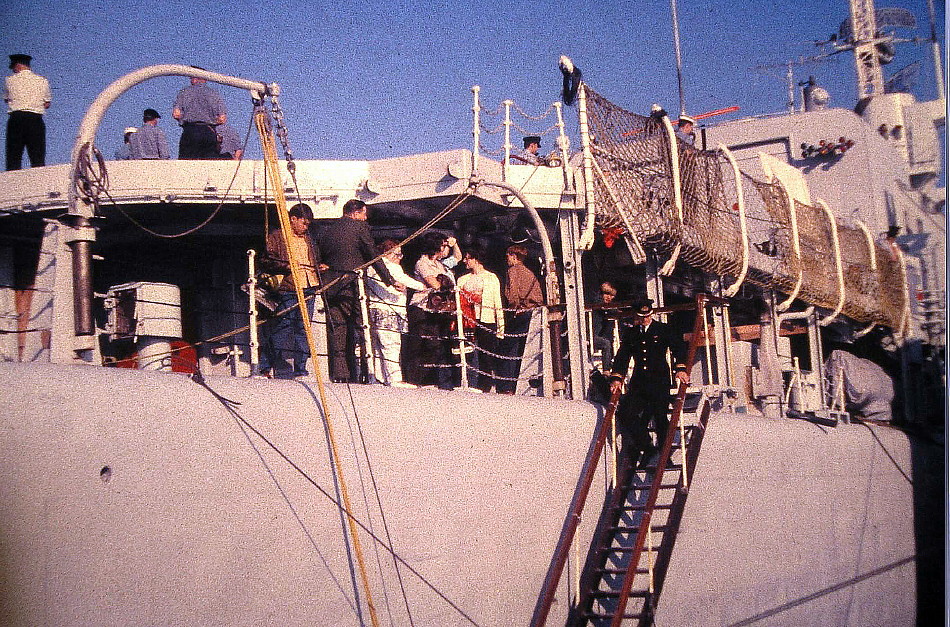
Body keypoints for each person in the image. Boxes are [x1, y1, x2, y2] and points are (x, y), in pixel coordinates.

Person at [318, 198, 398, 383]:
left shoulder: (327, 230)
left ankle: (341, 374)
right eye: (364, 214)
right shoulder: (359, 227)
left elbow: (321, 256)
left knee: (337, 329)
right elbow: (372, 253)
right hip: (352, 284)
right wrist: (389, 279)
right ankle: (368, 373)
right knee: (363, 327)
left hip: (331, 285)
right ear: (356, 213)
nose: (365, 218)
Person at [608, 300, 689, 468]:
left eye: (646, 316)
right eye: (641, 316)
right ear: (636, 315)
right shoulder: (631, 334)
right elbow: (623, 356)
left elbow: (678, 348)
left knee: (660, 418)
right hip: (639, 383)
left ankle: (665, 457)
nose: (644, 319)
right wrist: (617, 377)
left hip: (659, 381)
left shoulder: (663, 330)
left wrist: (680, 369)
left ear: (651, 313)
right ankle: (647, 447)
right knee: (626, 413)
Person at [259, 203, 327, 379]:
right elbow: (266, 260)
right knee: (283, 326)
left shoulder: (309, 239)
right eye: (304, 223)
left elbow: (315, 258)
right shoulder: (277, 236)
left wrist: (320, 267)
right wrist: (287, 266)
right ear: (293, 219)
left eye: (308, 225)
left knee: (304, 329)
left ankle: (301, 369)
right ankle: (265, 367)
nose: (306, 227)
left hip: (309, 286)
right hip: (289, 287)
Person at [364, 239, 426, 388]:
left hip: (377, 309)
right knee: (392, 344)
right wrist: (421, 286)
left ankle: (378, 377)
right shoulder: (389, 266)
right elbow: (403, 279)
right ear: (388, 253)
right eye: (398, 254)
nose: (400, 257)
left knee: (379, 346)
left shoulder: (373, 267)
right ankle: (394, 378)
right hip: (389, 309)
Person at [405, 232, 460, 389]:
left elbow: (457, 258)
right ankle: (413, 380)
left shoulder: (439, 264)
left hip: (435, 309)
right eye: (442, 245)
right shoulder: (422, 263)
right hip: (421, 307)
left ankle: (428, 380)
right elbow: (434, 284)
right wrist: (449, 284)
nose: (444, 248)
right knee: (418, 344)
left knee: (434, 345)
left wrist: (453, 244)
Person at [457, 247, 505, 392]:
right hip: (467, 319)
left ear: (476, 260)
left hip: (486, 318)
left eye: (468, 258)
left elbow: (497, 302)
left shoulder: (491, 278)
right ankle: (468, 381)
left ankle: (484, 385)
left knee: (486, 354)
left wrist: (500, 326)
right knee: (467, 351)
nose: (465, 261)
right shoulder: (462, 279)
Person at [497, 244, 543, 394]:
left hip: (522, 312)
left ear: (514, 256)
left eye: (508, 256)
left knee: (507, 348)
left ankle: (505, 386)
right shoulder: (530, 273)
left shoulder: (513, 271)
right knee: (521, 348)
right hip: (534, 312)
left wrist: (514, 309)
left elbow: (513, 294)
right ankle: (515, 382)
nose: (506, 259)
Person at [4, 54, 51, 170]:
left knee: (13, 158)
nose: (14, 70)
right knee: (37, 157)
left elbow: (6, 99)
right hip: (35, 120)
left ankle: (12, 185)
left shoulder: (9, 80)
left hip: (16, 119)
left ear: (18, 66)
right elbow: (47, 103)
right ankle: (39, 185)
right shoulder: (42, 81)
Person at [172, 72, 226, 159]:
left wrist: (185, 119)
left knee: (186, 165)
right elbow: (222, 118)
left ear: (196, 78)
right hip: (209, 132)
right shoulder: (214, 94)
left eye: (191, 78)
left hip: (190, 131)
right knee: (207, 166)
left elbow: (176, 114)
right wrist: (211, 121)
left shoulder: (184, 92)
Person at [591, 280, 620, 368]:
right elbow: (607, 309)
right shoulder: (597, 302)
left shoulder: (606, 307)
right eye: (607, 294)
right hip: (590, 337)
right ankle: (606, 370)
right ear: (601, 294)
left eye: (612, 295)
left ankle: (611, 363)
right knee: (606, 344)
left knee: (609, 340)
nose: (609, 297)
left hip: (598, 336)